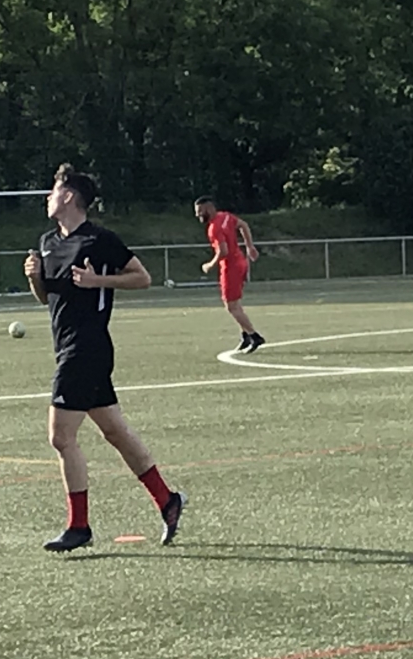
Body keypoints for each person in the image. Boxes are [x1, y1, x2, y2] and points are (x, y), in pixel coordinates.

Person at [23, 163, 185, 552]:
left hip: (87, 348)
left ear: (68, 197)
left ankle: (79, 526)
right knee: (115, 432)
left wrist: (99, 281)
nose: (48, 197)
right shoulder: (47, 242)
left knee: (61, 436)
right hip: (67, 346)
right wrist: (34, 277)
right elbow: (47, 298)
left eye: (53, 191)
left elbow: (142, 277)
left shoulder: (99, 239)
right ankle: (167, 500)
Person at [194, 196, 263, 352]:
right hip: (240, 262)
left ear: (209, 208)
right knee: (236, 304)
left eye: (200, 211)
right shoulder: (225, 216)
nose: (198, 215)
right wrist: (249, 246)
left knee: (231, 306)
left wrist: (210, 265)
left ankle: (254, 336)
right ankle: (245, 335)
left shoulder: (214, 227)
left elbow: (223, 251)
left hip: (230, 267)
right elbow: (243, 225)